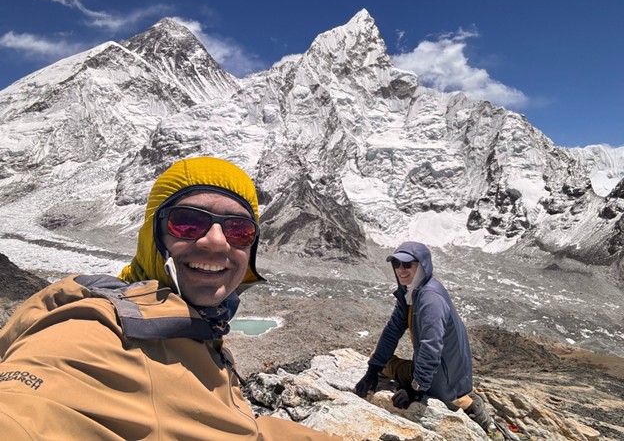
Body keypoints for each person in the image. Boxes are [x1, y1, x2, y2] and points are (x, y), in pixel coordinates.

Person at [0, 157, 340, 440]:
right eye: (189, 223)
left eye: (239, 230)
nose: (218, 242)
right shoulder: (100, 326)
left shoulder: (193, 327)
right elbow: (27, 409)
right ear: (153, 234)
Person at [354, 241, 491, 432]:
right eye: (396, 264)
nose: (401, 270)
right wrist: (372, 370)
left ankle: (464, 402)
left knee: (391, 367)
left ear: (422, 265)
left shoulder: (429, 298)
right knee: (380, 361)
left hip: (443, 373)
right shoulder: (411, 291)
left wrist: (414, 389)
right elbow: (392, 330)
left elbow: (431, 346)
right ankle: (460, 398)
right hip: (448, 369)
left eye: (407, 264)